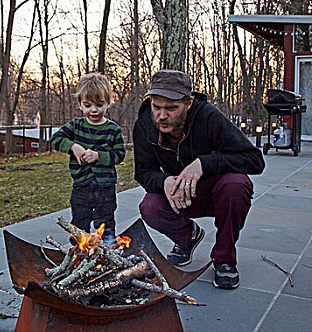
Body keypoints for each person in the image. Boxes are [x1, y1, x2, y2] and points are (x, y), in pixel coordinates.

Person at [132, 69, 265, 289]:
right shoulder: (145, 125)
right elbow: (144, 172)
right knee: (150, 206)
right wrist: (164, 181)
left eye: (171, 108)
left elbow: (254, 160)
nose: (162, 116)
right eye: (157, 107)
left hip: (216, 192)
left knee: (237, 185)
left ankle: (224, 259)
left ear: (189, 103)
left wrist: (205, 163)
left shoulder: (209, 117)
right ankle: (187, 238)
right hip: (179, 194)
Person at [50, 72, 126, 246]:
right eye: (88, 105)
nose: (94, 110)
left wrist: (99, 156)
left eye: (99, 105)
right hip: (81, 186)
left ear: (108, 103)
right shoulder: (76, 126)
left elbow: (120, 155)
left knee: (105, 219)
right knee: (80, 218)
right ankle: (79, 248)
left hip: (105, 186)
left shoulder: (113, 130)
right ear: (80, 104)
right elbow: (55, 140)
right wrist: (73, 146)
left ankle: (107, 246)